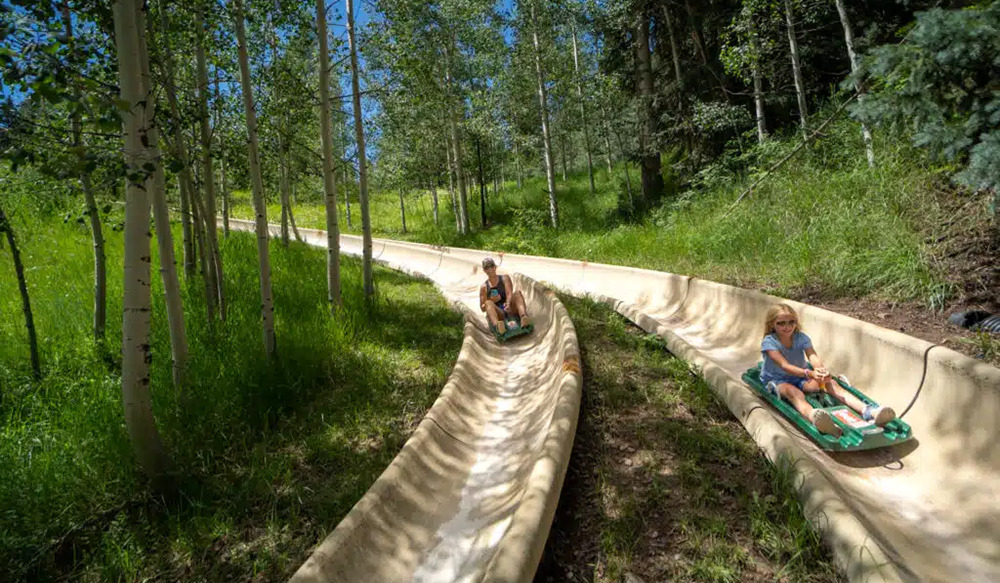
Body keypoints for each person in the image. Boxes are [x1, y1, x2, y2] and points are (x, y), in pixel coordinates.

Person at [760, 303, 896, 437]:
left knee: (830, 383)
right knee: (793, 392)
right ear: (772, 324)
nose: (787, 327)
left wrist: (820, 371)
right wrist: (809, 372)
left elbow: (812, 355)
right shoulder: (769, 342)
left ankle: (868, 411)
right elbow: (784, 365)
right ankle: (815, 417)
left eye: (791, 322)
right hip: (778, 380)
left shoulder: (801, 337)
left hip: (801, 378)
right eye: (781, 323)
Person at [479, 257, 531, 334]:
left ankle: (524, 317)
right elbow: (483, 308)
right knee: (487, 303)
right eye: (487, 267)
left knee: (517, 293)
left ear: (495, 267)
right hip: (499, 313)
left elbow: (509, 292)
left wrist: (508, 303)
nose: (490, 269)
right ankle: (498, 326)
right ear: (484, 270)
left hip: (509, 308)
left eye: (491, 266)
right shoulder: (484, 287)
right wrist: (491, 300)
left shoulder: (504, 278)